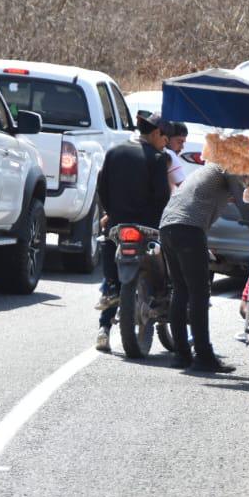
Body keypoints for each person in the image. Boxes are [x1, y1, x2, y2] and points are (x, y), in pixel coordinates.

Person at [159, 162, 249, 373]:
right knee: (199, 294)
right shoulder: (230, 167)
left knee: (181, 290)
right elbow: (245, 206)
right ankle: (204, 357)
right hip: (188, 227)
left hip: (167, 226)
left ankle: (181, 355)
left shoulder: (210, 169)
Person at [95, 112, 171, 352]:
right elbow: (162, 197)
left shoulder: (114, 152)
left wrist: (112, 213)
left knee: (111, 280)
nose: (165, 143)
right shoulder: (157, 158)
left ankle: (103, 330)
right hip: (148, 230)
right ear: (156, 133)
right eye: (165, 138)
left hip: (117, 227)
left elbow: (102, 188)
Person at [164, 121, 189, 191]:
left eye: (183, 142)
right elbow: (186, 189)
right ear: (166, 138)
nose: (182, 147)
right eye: (179, 142)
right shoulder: (169, 154)